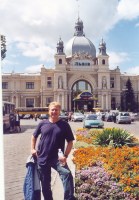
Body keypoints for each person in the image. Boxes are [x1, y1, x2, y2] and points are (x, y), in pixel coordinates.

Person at [31, 101, 75, 200]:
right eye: (52, 110)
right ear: (49, 111)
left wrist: (66, 156)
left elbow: (70, 142)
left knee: (67, 174)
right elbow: (34, 136)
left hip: (58, 158)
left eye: (56, 110)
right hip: (42, 157)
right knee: (45, 185)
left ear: (59, 111)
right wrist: (32, 149)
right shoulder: (42, 123)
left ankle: (68, 198)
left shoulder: (64, 125)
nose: (54, 112)